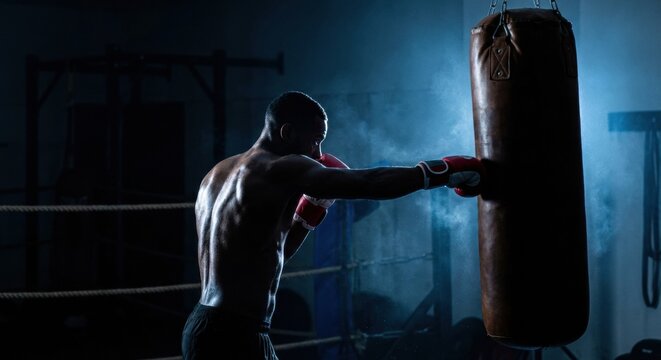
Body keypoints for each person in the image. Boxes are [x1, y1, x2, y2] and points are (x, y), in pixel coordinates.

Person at [181, 91, 484, 359]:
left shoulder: (217, 174)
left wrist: (305, 218)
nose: (319, 154)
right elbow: (367, 182)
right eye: (315, 141)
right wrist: (441, 172)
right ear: (287, 132)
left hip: (205, 326)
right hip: (236, 335)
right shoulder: (279, 167)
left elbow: (269, 255)